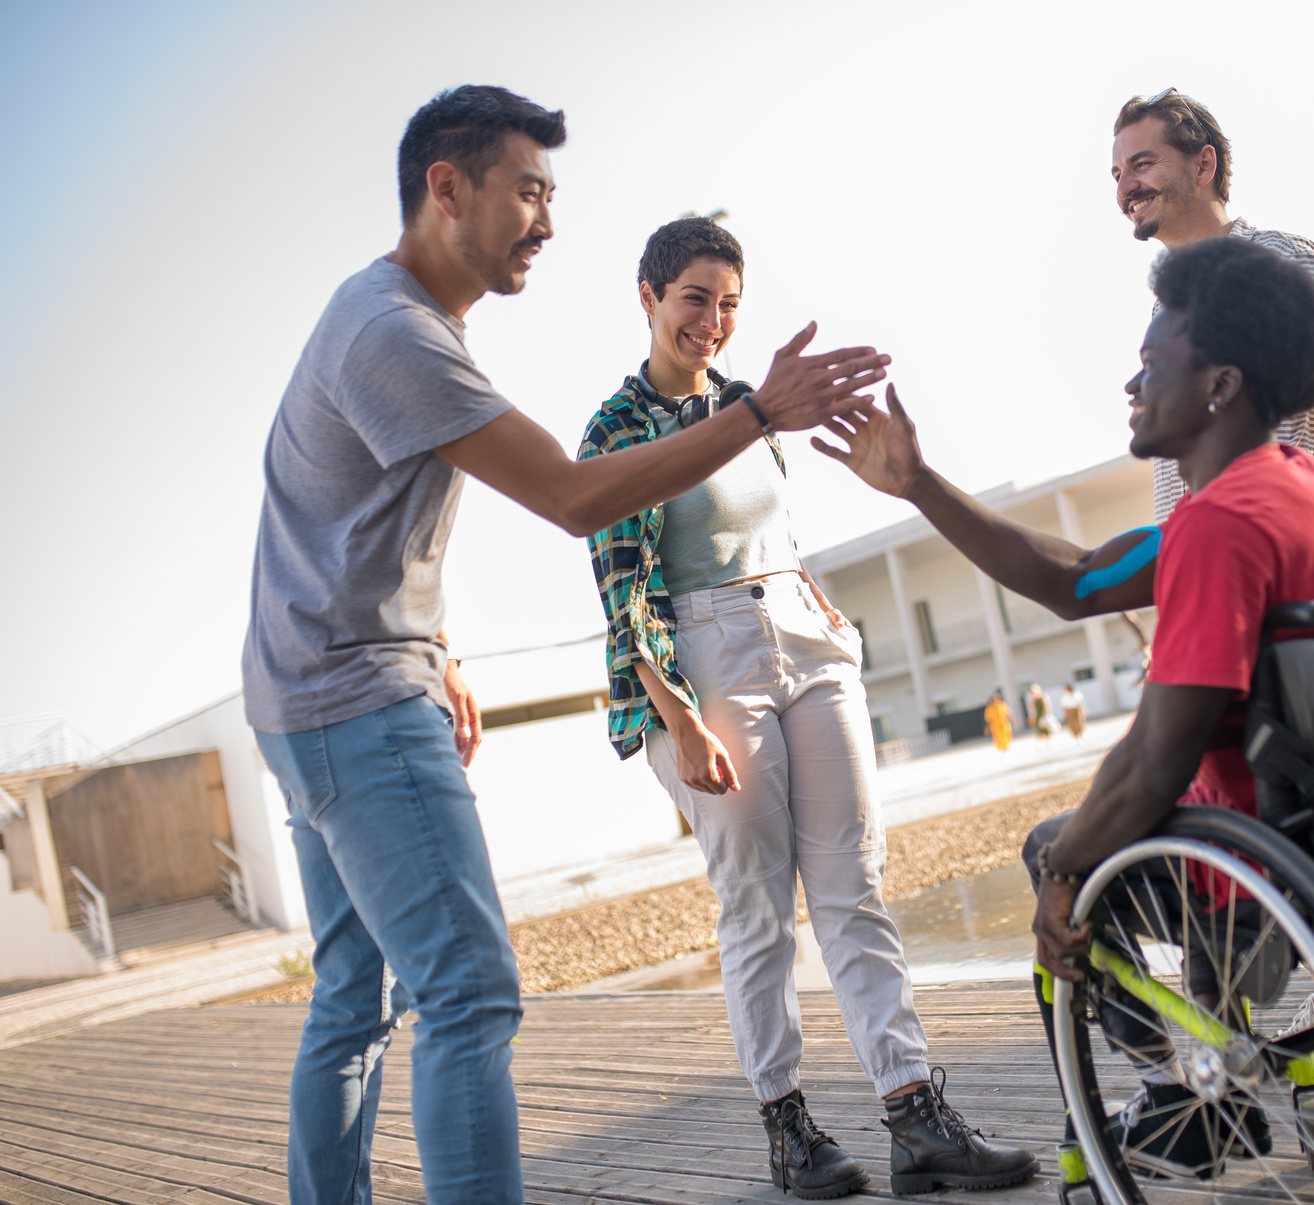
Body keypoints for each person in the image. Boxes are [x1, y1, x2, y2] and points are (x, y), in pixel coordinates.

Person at [244, 86, 891, 1205]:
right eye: (529, 192)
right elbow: (574, 499)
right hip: (355, 700)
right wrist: (754, 414)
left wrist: (437, 639)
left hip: (304, 688)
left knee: (351, 998)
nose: (547, 222)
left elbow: (350, 519)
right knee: (470, 994)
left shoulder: (387, 317)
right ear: (448, 189)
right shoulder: (397, 334)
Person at [815, 237, 1314, 1178]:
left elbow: (1153, 760)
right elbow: (1077, 577)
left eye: (1148, 364)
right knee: (1127, 829)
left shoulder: (1218, 527)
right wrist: (920, 484)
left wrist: (1064, 870)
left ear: (1218, 385)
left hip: (1275, 870)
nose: (1130, 385)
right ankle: (1206, 1069)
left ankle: (1180, 1090)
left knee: (1060, 846)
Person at [576, 218, 1037, 1200]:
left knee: (853, 884)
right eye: (694, 296)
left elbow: (762, 533)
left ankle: (916, 1113)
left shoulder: (746, 404)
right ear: (648, 296)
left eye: (729, 301)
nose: (712, 319)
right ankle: (788, 1129)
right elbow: (624, 591)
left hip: (802, 635)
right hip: (702, 660)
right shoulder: (614, 429)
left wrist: (810, 596)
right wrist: (677, 713)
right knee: (755, 904)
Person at [1111, 88, 1314, 519]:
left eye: (1143, 164)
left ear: (1203, 165)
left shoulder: (1280, 261)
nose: (1126, 187)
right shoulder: (1165, 307)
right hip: (1208, 567)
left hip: (1283, 557)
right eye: (1117, 174)